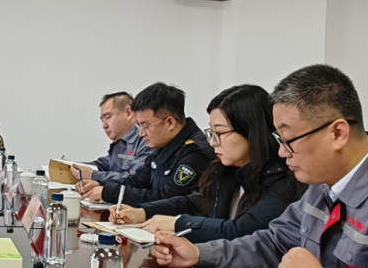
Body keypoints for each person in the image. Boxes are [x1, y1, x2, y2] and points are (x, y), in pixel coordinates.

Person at [150, 65, 368, 268]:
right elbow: (274, 241)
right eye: (279, 139)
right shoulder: (321, 186)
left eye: (288, 140)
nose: (283, 152)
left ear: (338, 133)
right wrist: (198, 254)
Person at [108, 85, 306, 244]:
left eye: (220, 133)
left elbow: (242, 231)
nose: (212, 142)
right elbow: (195, 202)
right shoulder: (227, 171)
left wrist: (178, 224)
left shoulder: (283, 180)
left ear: (251, 131)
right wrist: (142, 212)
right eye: (211, 132)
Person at [79, 83, 215, 206]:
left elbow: (167, 198)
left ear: (170, 123)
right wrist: (101, 185)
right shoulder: (163, 145)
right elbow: (138, 181)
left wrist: (111, 193)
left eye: (145, 126)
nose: (141, 133)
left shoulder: (195, 153)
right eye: (139, 126)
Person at [70, 92, 153, 185]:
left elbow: (135, 178)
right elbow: (103, 164)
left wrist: (93, 175)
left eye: (108, 117)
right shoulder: (119, 143)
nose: (104, 125)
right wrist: (72, 166)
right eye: (102, 120)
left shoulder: (147, 140)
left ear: (128, 112)